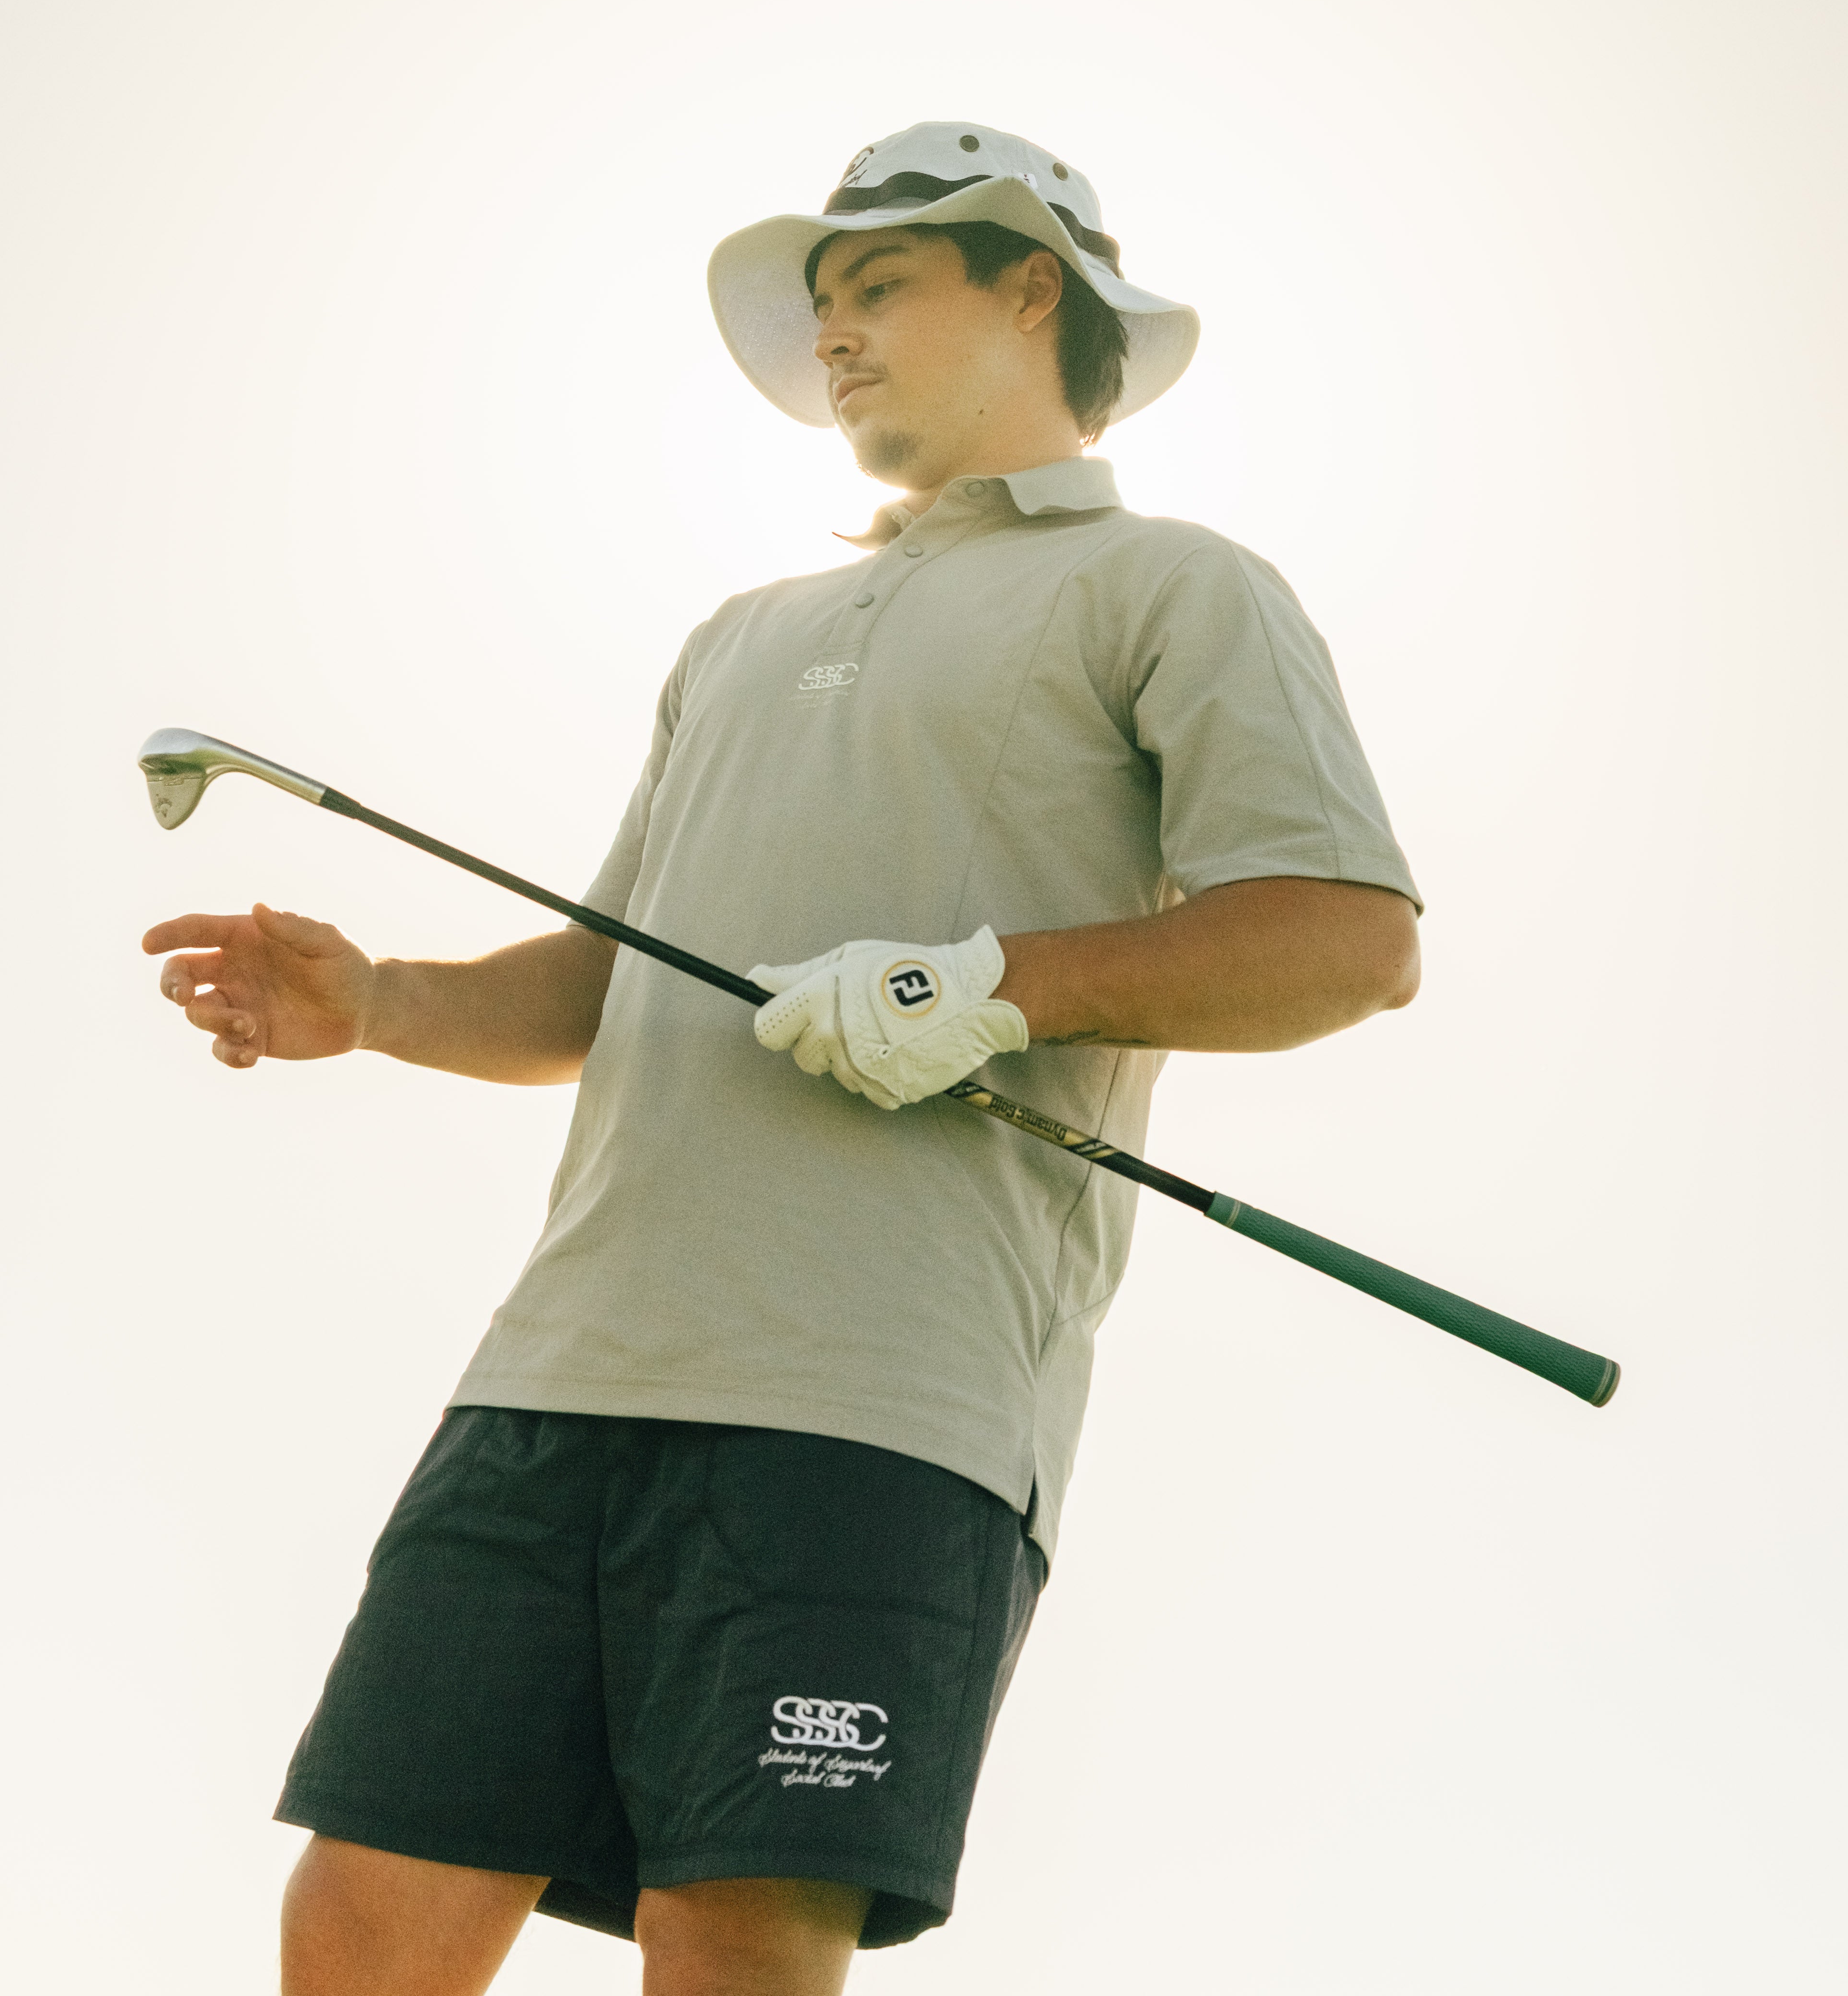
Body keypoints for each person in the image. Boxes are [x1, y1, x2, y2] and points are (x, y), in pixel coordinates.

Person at [146, 119, 1422, 1996]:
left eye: (874, 287)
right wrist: (382, 1004)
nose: (829, 334)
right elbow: (602, 985)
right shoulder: (738, 634)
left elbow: (1343, 939)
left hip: (877, 1411)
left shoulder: (1176, 586)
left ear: (1030, 289)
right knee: (355, 1932)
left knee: (729, 1943)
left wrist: (987, 986)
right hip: (559, 1380)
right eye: (818, 303)